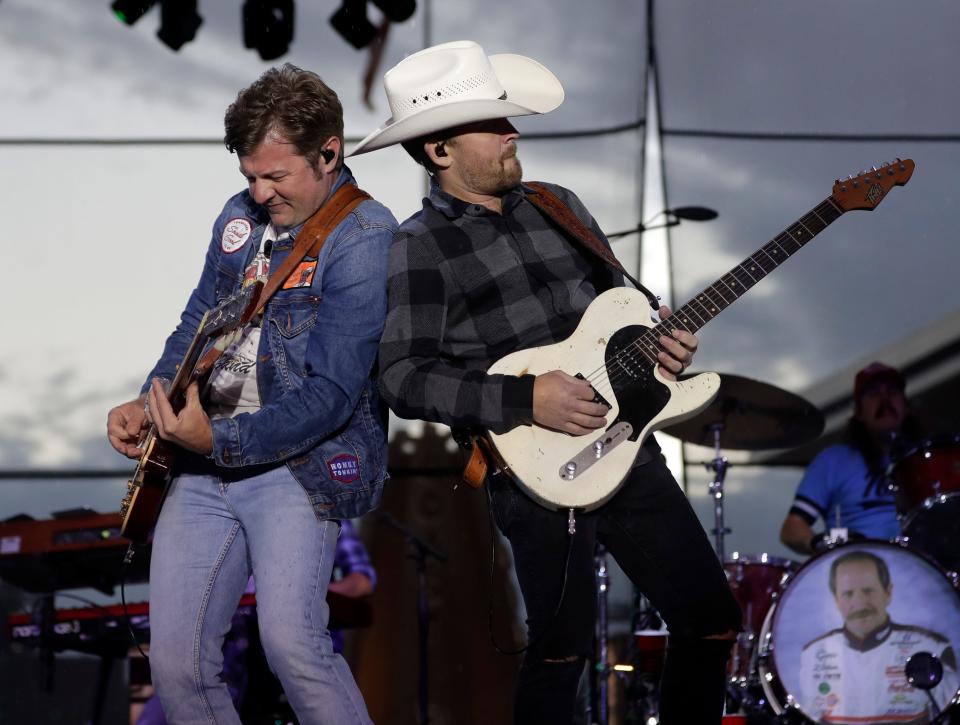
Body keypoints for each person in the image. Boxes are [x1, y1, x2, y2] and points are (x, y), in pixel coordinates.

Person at [352, 40, 741, 724]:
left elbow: (626, 323)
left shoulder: (560, 204)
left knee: (710, 619)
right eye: (495, 124)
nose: (513, 132)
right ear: (440, 150)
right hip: (530, 472)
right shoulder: (418, 245)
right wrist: (525, 397)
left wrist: (664, 350)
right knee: (561, 652)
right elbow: (403, 377)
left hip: (628, 445)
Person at [106, 64, 396, 724]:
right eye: (249, 177)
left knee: (293, 646)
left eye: (276, 176)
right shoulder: (237, 218)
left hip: (295, 467)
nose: (260, 192)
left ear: (330, 152)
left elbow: (329, 395)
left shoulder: (367, 234)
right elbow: (197, 318)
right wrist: (148, 402)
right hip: (201, 462)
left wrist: (219, 438)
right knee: (177, 664)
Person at [135, 520, 376, 724]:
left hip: (288, 641)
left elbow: (362, 580)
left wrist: (305, 596)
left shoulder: (316, 507)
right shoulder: (208, 511)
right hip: (229, 645)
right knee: (172, 693)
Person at [799, 549, 958, 722]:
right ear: (837, 600)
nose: (859, 603)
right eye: (848, 594)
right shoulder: (813, 654)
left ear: (887, 593)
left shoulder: (933, 648)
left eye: (868, 591)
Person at [781, 362, 913, 555]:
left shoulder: (927, 459)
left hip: (921, 566)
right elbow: (791, 529)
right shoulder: (833, 460)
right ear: (858, 412)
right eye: (873, 393)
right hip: (856, 571)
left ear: (906, 405)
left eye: (892, 391)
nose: (884, 400)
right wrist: (825, 543)